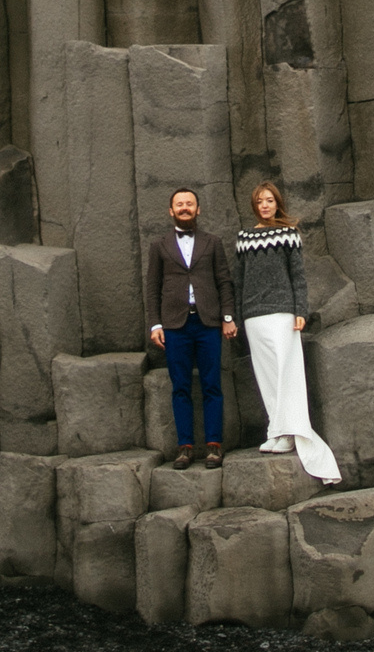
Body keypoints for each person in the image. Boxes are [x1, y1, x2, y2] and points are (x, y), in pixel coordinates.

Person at [233, 181, 340, 485]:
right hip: (254, 316)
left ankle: (291, 433)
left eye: (269, 200)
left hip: (282, 312)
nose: (265, 205)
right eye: (260, 201)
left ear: (277, 203)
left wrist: (300, 312)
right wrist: (240, 317)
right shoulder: (243, 238)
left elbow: (298, 276)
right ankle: (276, 431)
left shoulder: (287, 234)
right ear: (254, 205)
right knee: (265, 374)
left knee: (286, 373)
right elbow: (239, 281)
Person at [144, 186, 236, 470]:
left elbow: (224, 281)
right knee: (180, 386)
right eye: (179, 204)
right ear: (171, 211)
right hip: (174, 325)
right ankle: (184, 447)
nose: (185, 208)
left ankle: (214, 445)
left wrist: (228, 316)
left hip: (208, 322)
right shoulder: (159, 245)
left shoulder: (213, 242)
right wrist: (155, 324)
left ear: (198, 209)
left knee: (212, 385)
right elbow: (152, 287)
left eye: (190, 203)